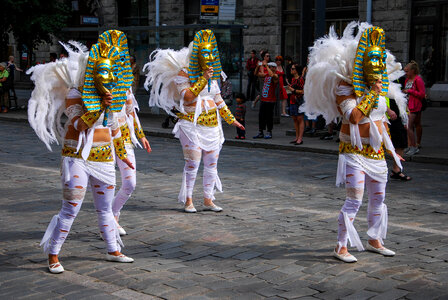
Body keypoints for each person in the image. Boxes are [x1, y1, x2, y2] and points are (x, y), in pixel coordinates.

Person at [27, 39, 136, 274]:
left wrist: (122, 154)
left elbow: (115, 128)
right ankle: (53, 254)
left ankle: (112, 249)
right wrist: (100, 107)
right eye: (103, 72)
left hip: (104, 159)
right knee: (71, 209)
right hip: (77, 157)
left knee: (105, 209)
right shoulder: (76, 93)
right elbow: (77, 125)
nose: (108, 78)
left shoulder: (115, 95)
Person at [303, 23, 407, 263]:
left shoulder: (380, 91)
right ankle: (341, 246)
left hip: (376, 153)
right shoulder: (345, 86)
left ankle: (374, 239)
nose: (378, 66)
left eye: (380, 62)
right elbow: (354, 117)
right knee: (354, 200)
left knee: (378, 199)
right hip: (354, 151)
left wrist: (392, 150)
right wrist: (371, 93)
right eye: (373, 62)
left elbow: (380, 121)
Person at [144, 29, 244, 213]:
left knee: (212, 163)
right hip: (191, 125)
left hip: (213, 126)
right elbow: (188, 97)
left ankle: (208, 199)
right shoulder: (184, 73)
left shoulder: (214, 76)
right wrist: (203, 78)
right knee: (193, 163)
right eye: (204, 53)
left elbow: (218, 99)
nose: (208, 57)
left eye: (211, 53)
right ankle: (188, 200)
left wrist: (232, 120)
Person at [96, 30, 152, 236]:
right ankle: (108, 222)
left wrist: (142, 135)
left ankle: (114, 214)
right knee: (107, 183)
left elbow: (131, 113)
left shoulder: (126, 86)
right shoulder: (97, 80)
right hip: (104, 138)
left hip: (125, 138)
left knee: (130, 183)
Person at [253, 62, 282, 139]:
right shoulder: (266, 75)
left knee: (269, 117)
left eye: (270, 67)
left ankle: (269, 131)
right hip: (264, 99)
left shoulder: (275, 76)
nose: (268, 68)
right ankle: (260, 131)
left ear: (274, 68)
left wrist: (266, 66)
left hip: (270, 100)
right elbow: (256, 74)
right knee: (261, 116)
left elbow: (272, 75)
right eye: (268, 66)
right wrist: (257, 67)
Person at [386, 95, 411, 181]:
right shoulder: (381, 82)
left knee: (401, 142)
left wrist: (405, 109)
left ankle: (396, 169)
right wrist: (388, 110)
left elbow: (400, 94)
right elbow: (377, 96)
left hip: (398, 114)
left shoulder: (398, 81)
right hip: (385, 116)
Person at [404, 61, 425, 156]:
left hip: (415, 106)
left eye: (407, 71)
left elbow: (422, 94)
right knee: (409, 126)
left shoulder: (418, 80)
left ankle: (414, 147)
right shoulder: (407, 80)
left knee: (409, 126)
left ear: (412, 71)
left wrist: (410, 91)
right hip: (408, 105)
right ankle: (410, 145)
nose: (406, 73)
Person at [286, 64, 305, 145]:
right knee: (295, 119)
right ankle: (297, 137)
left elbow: (303, 91)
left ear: (296, 70)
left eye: (293, 68)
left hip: (298, 101)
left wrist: (293, 90)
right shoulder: (293, 79)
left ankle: (300, 138)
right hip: (292, 100)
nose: (291, 70)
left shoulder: (301, 79)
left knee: (300, 119)